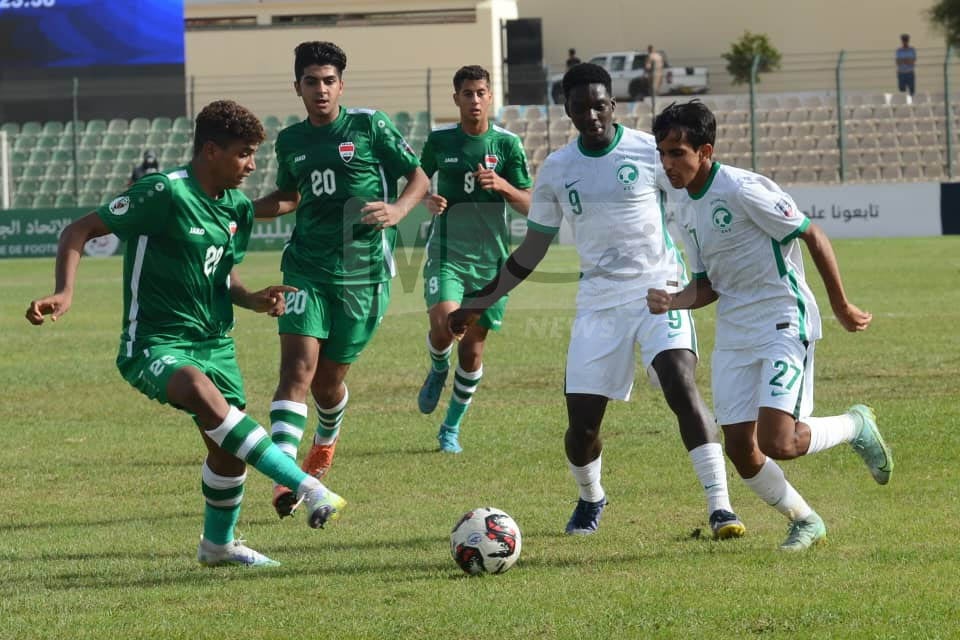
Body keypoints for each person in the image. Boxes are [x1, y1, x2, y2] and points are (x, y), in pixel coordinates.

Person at [25, 100, 346, 567]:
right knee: (198, 390)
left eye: (254, 154)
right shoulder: (163, 191)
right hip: (154, 344)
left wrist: (252, 298)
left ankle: (217, 546)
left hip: (215, 344)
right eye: (243, 154)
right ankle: (308, 486)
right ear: (211, 151)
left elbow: (222, 274)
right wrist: (64, 291)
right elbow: (79, 230)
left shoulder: (235, 207)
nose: (252, 166)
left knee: (228, 453)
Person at [449, 64, 745, 539]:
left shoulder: (648, 151)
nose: (592, 115)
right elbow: (532, 248)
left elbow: (698, 192)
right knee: (583, 426)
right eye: (581, 106)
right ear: (566, 108)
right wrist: (480, 300)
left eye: (600, 105)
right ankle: (591, 497)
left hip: (659, 291)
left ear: (613, 104)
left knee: (680, 383)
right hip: (599, 304)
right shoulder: (558, 168)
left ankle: (721, 507)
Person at [648, 100, 894, 551]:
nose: (668, 163)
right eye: (662, 153)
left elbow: (812, 234)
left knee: (779, 441)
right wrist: (673, 301)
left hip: (782, 319)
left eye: (677, 153)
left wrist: (840, 304)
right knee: (740, 448)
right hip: (735, 332)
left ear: (705, 151)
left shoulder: (743, 189)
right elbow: (706, 285)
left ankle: (854, 425)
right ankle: (806, 520)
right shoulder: (684, 208)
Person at [255, 41, 430, 518]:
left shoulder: (370, 126)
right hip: (306, 267)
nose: (321, 89)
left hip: (362, 273)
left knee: (327, 384)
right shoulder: (290, 141)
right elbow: (290, 196)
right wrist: (242, 210)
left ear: (341, 85)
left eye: (329, 81)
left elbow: (418, 178)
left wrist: (399, 210)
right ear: (297, 87)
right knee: (296, 371)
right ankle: (285, 475)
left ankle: (326, 438)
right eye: (311, 81)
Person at [416, 65, 533, 453]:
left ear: (490, 96)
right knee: (445, 326)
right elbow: (417, 182)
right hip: (447, 252)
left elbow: (530, 204)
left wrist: (502, 186)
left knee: (472, 350)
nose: (475, 100)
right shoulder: (440, 141)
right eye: (467, 93)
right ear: (456, 99)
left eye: (481, 92)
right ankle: (438, 368)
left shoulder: (508, 145)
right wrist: (427, 198)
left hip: (490, 260)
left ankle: (450, 428)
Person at [896, 33, 916, 99]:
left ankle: (912, 102)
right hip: (901, 73)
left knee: (911, 91)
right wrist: (907, 60)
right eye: (904, 40)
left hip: (910, 72)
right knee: (902, 90)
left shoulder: (912, 50)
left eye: (906, 40)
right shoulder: (899, 51)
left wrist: (903, 60)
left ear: (908, 40)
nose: (905, 41)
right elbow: (898, 62)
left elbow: (912, 62)